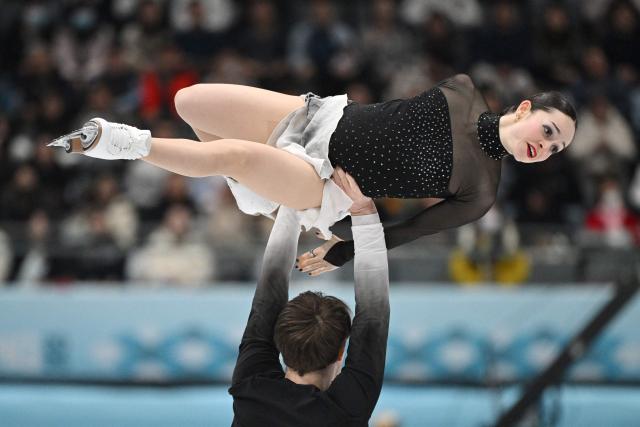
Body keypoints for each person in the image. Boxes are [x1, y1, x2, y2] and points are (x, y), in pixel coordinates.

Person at [49, 74, 577, 275]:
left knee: (231, 155)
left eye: (556, 150)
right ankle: (253, 192)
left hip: (325, 184)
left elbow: (405, 234)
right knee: (190, 101)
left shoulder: (481, 192)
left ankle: (120, 142)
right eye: (549, 131)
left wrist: (340, 248)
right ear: (526, 108)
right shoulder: (463, 89)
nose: (545, 148)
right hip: (315, 115)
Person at [229, 167, 390, 426]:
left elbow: (374, 317)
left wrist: (365, 215)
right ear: (341, 352)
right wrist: (292, 206)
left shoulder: (348, 406)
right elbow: (267, 299)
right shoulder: (251, 387)